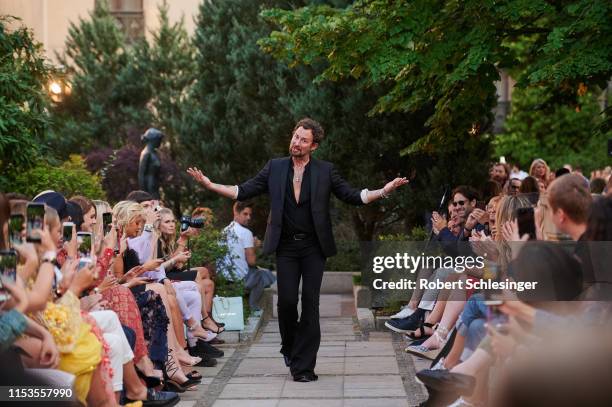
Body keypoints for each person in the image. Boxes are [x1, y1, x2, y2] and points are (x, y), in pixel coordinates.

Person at [187, 117, 409, 382]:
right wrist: (211, 185)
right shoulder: (275, 167)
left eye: (303, 140)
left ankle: (304, 367)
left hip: (314, 247)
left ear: (313, 146)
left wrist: (383, 191)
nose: (296, 143)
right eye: (295, 137)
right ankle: (290, 347)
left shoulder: (326, 171)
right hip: (286, 247)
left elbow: (353, 196)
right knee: (288, 302)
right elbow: (242, 189)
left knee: (310, 304)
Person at [218, 201, 276, 314]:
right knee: (264, 275)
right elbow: (252, 261)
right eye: (245, 214)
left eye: (250, 214)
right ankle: (253, 307)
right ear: (236, 212)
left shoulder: (223, 232)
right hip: (239, 281)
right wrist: (255, 247)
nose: (248, 217)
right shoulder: (246, 233)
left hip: (223, 280)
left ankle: (248, 302)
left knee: (260, 272)